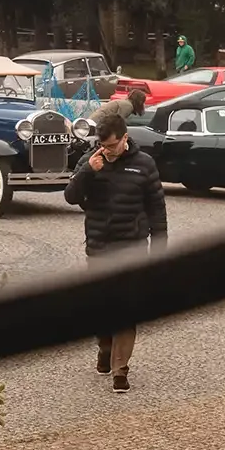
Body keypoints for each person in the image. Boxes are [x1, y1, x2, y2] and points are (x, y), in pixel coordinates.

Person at [63, 114, 168, 394]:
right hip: (99, 247)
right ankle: (105, 347)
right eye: (103, 146)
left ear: (125, 138)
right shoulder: (90, 161)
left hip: (132, 246)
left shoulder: (144, 164)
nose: (107, 151)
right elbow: (70, 197)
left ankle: (121, 369)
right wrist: (88, 172)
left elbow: (157, 208)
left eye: (112, 145)